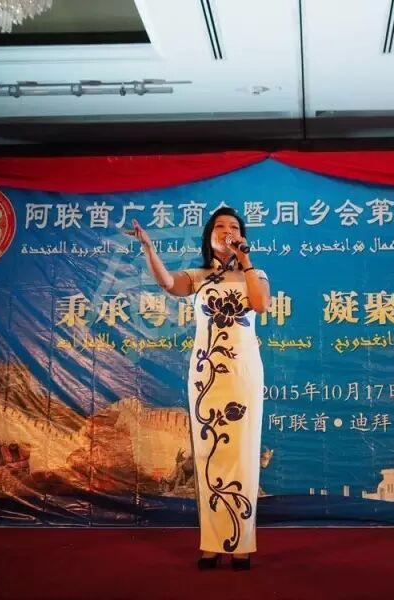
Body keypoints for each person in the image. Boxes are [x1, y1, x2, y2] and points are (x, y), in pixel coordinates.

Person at [127, 207, 270, 571]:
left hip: (242, 372)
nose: (227, 230)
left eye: (234, 226)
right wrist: (148, 249)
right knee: (208, 454)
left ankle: (241, 544)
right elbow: (167, 283)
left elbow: (260, 304)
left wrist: (245, 260)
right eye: (220, 226)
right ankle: (212, 542)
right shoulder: (198, 277)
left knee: (242, 455)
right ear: (208, 236)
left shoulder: (255, 274)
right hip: (207, 374)